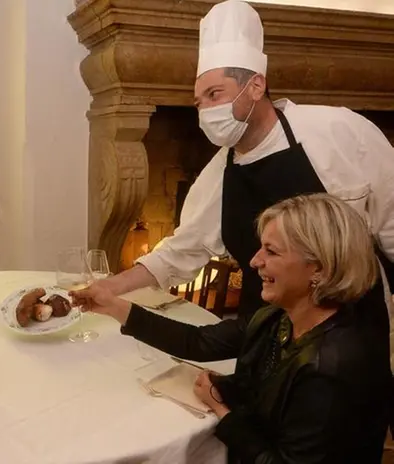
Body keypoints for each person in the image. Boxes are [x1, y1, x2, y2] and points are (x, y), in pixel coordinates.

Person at [97, 0, 394, 332]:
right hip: (262, 332)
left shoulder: (340, 132)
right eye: (199, 102)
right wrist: (109, 288)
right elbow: (178, 254)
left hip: (354, 332)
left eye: (215, 94)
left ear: (256, 86)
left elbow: (392, 225)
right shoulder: (217, 175)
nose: (205, 111)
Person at [73, 194, 390, 463]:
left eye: (271, 251)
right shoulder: (279, 318)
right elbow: (197, 341)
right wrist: (112, 304)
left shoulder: (332, 367)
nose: (254, 261)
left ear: (319, 267)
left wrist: (222, 412)